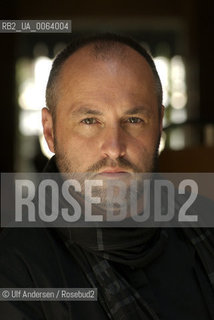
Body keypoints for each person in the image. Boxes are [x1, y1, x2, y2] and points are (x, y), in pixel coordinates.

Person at [0, 33, 214, 319]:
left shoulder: (205, 223)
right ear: (50, 132)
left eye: (134, 120)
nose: (114, 148)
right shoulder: (14, 270)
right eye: (89, 121)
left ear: (159, 126)